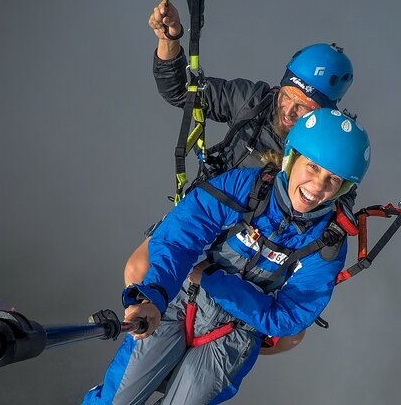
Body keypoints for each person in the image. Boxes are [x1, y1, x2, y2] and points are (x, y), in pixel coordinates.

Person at [82, 108, 371, 404]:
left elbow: (289, 316)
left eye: (333, 179)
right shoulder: (246, 187)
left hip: (233, 336)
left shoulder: (327, 241)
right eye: (312, 167)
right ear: (292, 158)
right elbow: (179, 238)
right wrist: (151, 297)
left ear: (343, 188)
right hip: (181, 303)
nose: (318, 186)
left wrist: (211, 278)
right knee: (116, 399)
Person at [124, 0, 357, 354]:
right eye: (288, 97)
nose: (290, 112)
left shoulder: (329, 152)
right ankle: (150, 351)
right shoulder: (254, 101)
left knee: (288, 338)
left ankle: (201, 357)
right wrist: (169, 42)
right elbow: (179, 92)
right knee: (139, 269)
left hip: (261, 248)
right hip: (210, 216)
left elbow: (332, 216)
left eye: (305, 109)